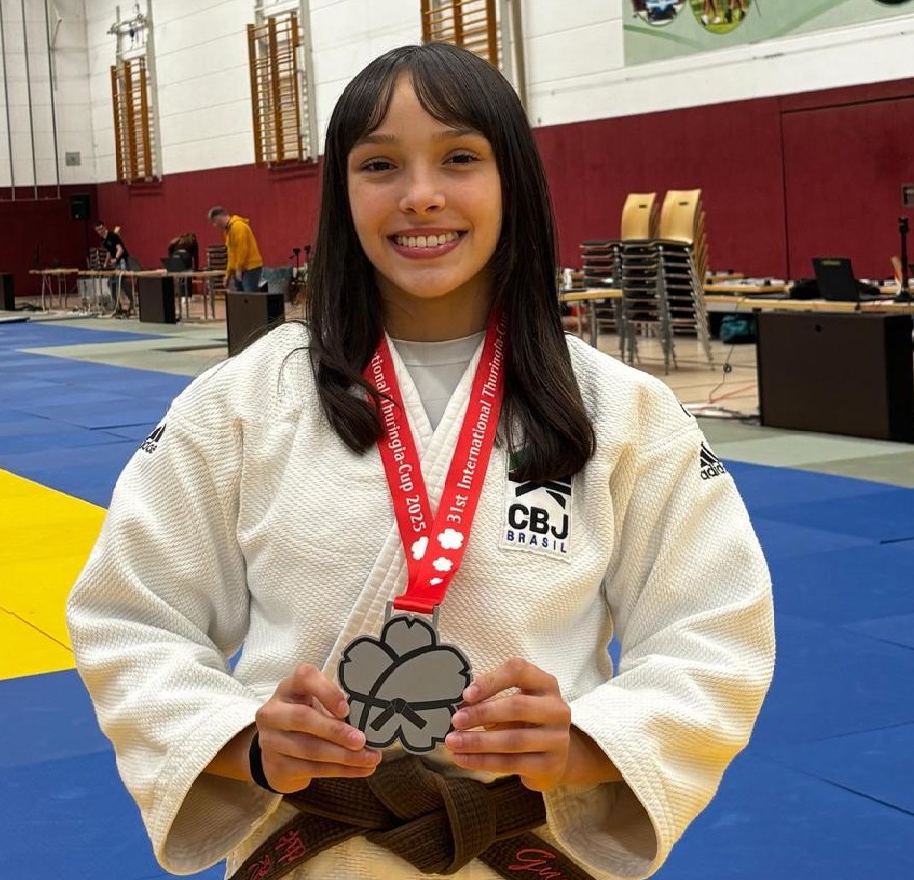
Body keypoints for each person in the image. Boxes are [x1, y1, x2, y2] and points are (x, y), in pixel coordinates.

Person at [67, 43, 774, 880]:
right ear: (342, 194)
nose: (421, 195)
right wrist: (243, 741)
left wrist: (587, 741)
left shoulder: (619, 409)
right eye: (380, 165)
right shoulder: (244, 400)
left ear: (514, 181)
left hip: (522, 846)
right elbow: (130, 615)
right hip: (311, 850)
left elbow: (716, 629)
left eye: (461, 158)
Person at [208, 206, 264, 291]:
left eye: (214, 221)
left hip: (250, 268)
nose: (214, 225)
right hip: (240, 269)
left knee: (250, 298)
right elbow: (231, 255)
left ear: (219, 217)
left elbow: (242, 249)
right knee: (240, 299)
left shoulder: (238, 226)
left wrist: (239, 268)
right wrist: (228, 275)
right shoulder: (228, 231)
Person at [94, 219, 133, 316]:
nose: (101, 231)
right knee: (111, 284)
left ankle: (132, 302)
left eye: (101, 228)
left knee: (121, 281)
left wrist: (115, 258)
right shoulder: (102, 239)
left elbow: (120, 249)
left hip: (122, 260)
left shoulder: (113, 236)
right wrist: (105, 263)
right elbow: (108, 252)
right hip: (114, 263)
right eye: (98, 230)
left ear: (104, 227)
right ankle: (117, 306)